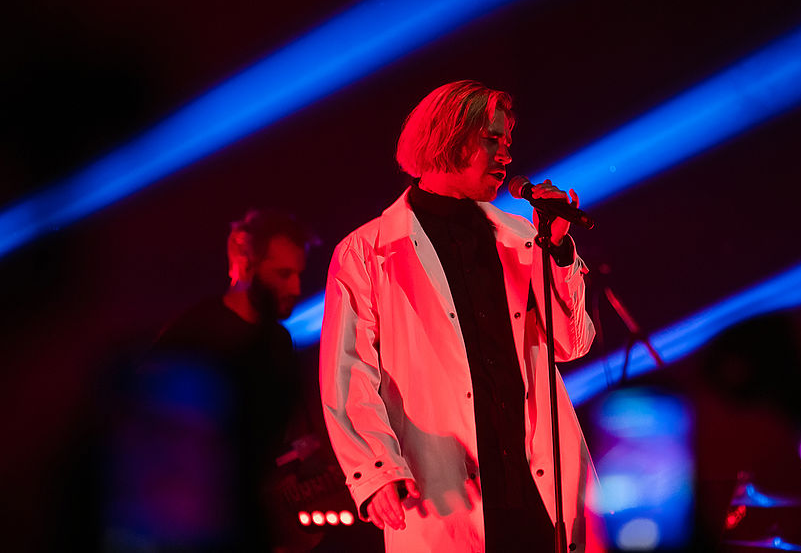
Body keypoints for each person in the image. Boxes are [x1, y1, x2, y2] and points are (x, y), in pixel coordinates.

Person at [319, 80, 605, 552]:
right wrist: (375, 470)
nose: (505, 154)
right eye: (492, 140)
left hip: (536, 486)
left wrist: (556, 251)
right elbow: (348, 371)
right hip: (442, 485)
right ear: (447, 139)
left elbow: (571, 344)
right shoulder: (367, 251)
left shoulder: (522, 237)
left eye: (507, 142)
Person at [104, 208, 318, 551]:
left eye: (298, 275)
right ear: (245, 264)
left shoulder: (279, 341)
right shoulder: (193, 333)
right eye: (283, 274)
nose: (295, 287)